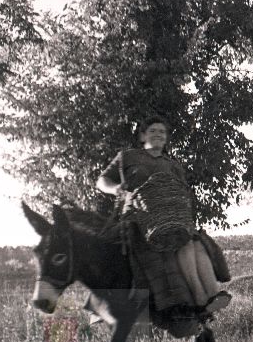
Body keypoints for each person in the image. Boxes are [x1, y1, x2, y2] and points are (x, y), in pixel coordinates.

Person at [97, 115, 230, 315]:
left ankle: (211, 296)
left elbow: (181, 192)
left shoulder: (173, 164)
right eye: (152, 131)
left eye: (162, 132)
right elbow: (102, 181)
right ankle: (200, 299)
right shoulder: (127, 157)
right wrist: (116, 189)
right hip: (138, 217)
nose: (158, 134)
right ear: (142, 136)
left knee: (196, 244)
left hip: (170, 218)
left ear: (166, 138)